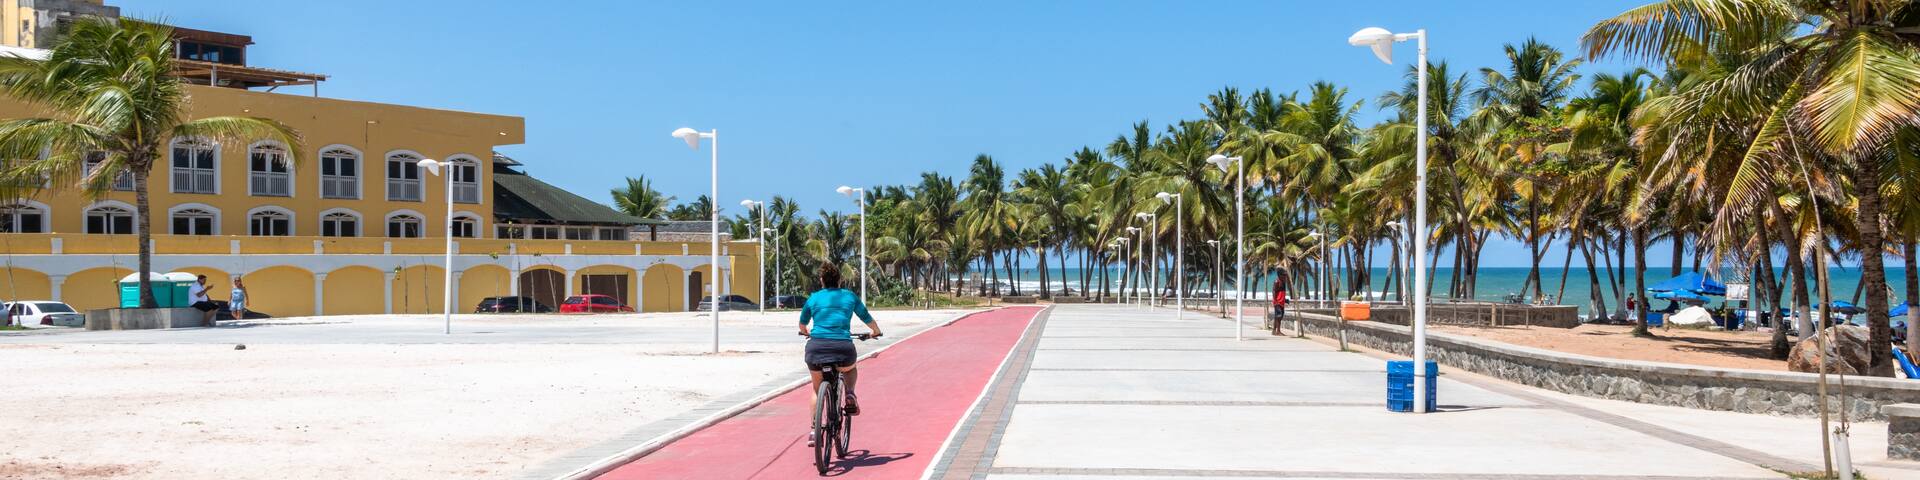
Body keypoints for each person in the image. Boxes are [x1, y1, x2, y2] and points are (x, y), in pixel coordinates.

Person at [798, 263, 881, 446]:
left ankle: (814, 431)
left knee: (816, 389)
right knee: (850, 369)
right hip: (842, 348)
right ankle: (850, 393)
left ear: (822, 281)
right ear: (840, 280)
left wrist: (806, 332)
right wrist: (875, 331)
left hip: (816, 349)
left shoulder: (814, 298)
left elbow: (802, 324)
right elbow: (865, 316)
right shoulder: (849, 296)